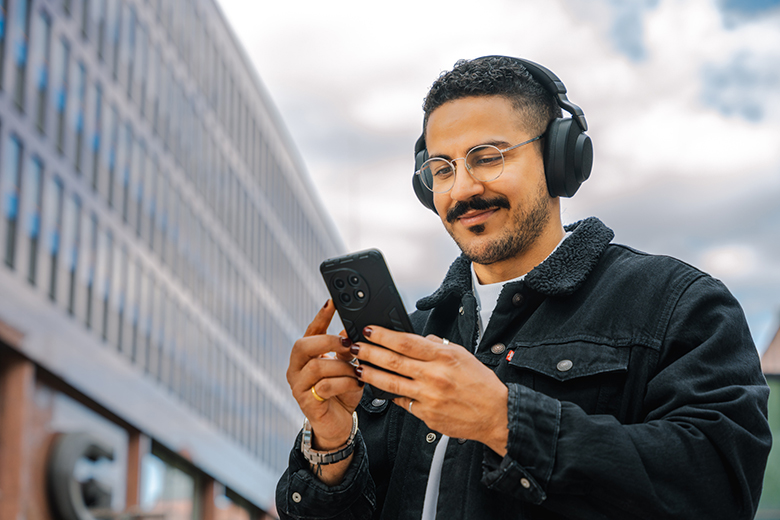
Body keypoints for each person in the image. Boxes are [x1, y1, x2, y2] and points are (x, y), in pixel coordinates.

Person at [275, 56, 772, 519]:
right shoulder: (414, 335)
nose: (462, 188)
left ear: (561, 158)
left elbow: (719, 489)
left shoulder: (678, 305)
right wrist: (334, 445)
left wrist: (503, 420)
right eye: (442, 168)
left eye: (487, 156)